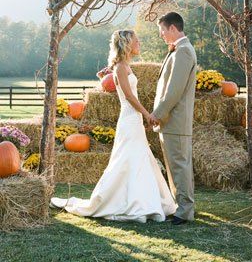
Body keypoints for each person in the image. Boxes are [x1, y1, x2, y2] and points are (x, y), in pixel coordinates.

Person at [51, 30, 176, 223]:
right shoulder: (120, 68)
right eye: (136, 40)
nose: (139, 43)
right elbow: (128, 96)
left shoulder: (124, 66)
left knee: (138, 158)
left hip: (133, 119)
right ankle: (127, 202)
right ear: (126, 44)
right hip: (128, 118)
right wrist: (147, 114)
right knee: (127, 159)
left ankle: (142, 200)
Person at [150, 12, 197, 225]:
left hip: (175, 120)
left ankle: (185, 211)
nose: (161, 35)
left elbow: (174, 91)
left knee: (179, 166)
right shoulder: (178, 50)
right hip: (171, 122)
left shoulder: (184, 51)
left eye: (162, 30)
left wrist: (157, 114)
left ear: (172, 28)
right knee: (175, 166)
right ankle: (181, 207)